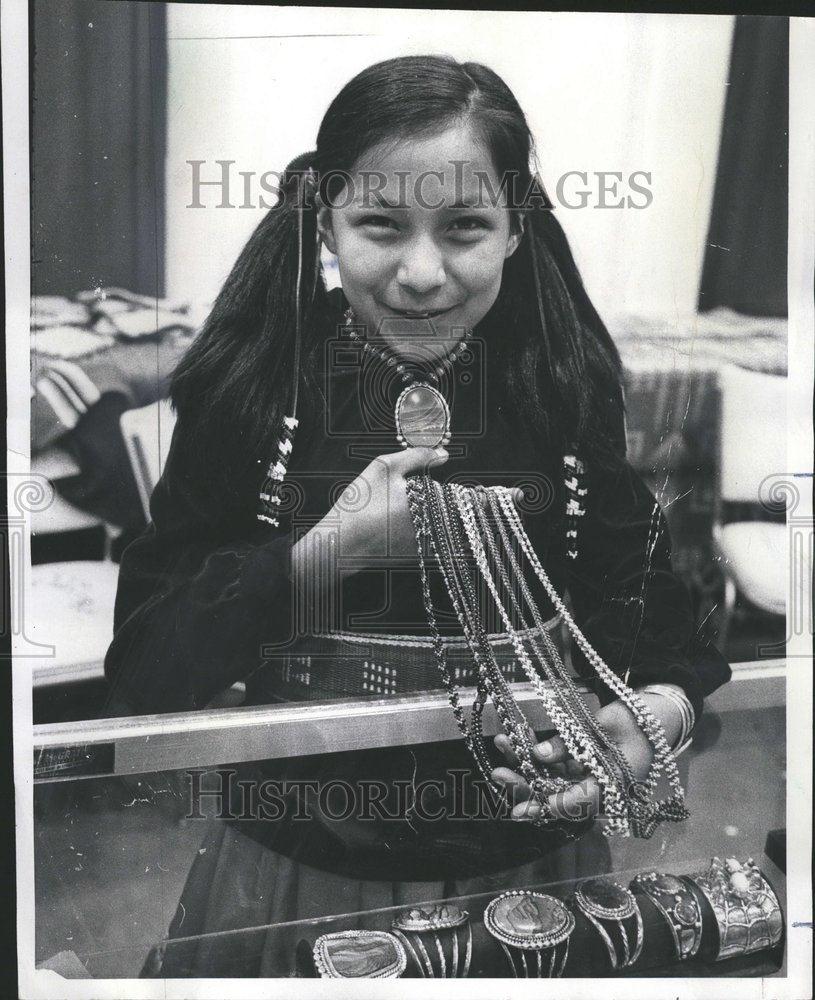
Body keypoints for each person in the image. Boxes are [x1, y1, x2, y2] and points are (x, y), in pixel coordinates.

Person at [101, 56, 731, 974]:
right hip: (303, 870)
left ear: (517, 229)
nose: (422, 273)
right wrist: (325, 555)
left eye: (466, 227)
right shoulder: (253, 390)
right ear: (326, 221)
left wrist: (652, 712)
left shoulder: (559, 387)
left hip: (526, 876)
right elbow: (148, 669)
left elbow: (651, 618)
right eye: (380, 226)